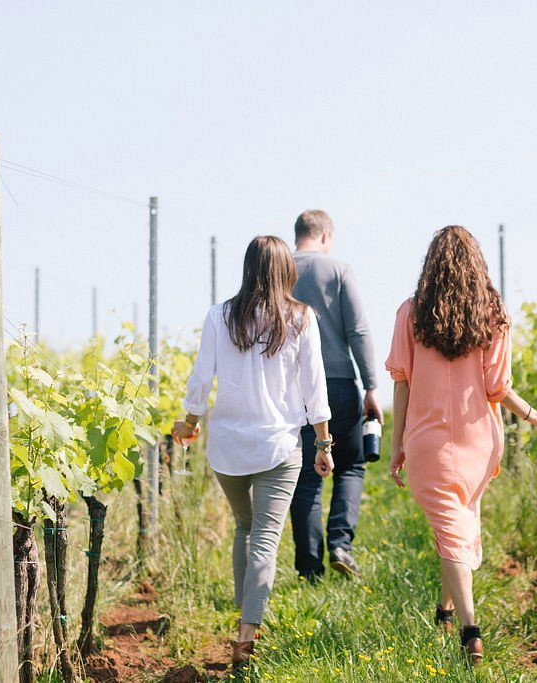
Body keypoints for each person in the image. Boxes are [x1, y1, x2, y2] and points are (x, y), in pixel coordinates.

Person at [385, 226, 537, 664]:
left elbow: (401, 382)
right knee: (455, 526)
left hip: (428, 442)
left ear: (430, 266)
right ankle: (445, 611)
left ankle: (470, 631)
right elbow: (496, 387)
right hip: (478, 441)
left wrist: (397, 444)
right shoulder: (492, 314)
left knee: (451, 528)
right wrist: (535, 416)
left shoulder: (410, 314)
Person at [173, 235, 334, 667]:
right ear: (286, 271)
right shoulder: (301, 318)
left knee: (244, 527)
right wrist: (323, 442)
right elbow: (314, 387)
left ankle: (243, 615)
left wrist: (188, 423)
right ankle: (247, 633)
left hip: (227, 448)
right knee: (265, 537)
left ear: (247, 268)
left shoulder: (219, 315)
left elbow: (201, 379)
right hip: (279, 446)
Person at [289, 209, 381, 580]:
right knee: (351, 465)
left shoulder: (279, 270)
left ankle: (310, 569)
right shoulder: (338, 270)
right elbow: (358, 331)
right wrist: (371, 385)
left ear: (298, 235)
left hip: (295, 389)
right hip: (340, 382)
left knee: (306, 477)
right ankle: (341, 544)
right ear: (325, 236)